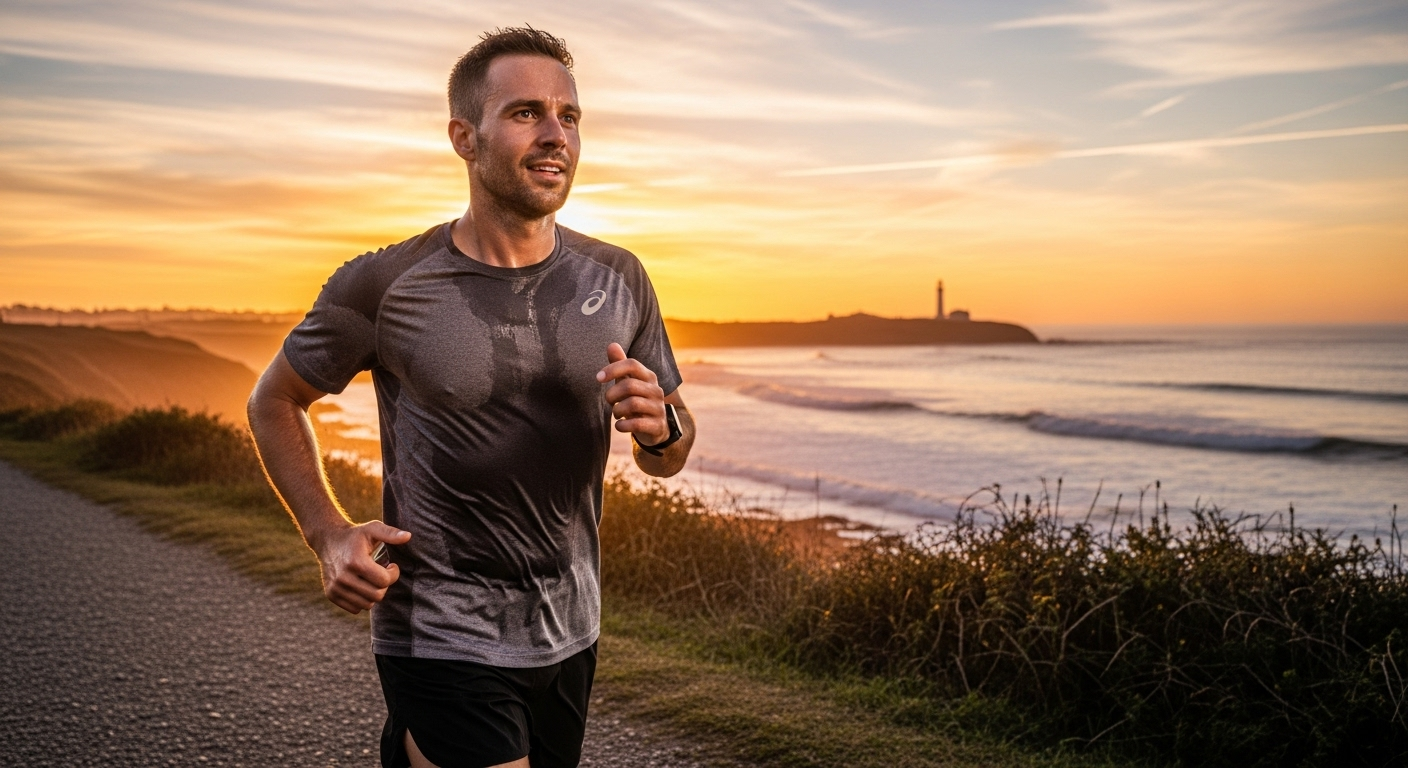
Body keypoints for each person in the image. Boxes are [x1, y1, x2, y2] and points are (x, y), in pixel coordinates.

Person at [246, 27, 695, 768]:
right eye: (525, 113)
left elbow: (671, 455)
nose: (556, 137)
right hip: (439, 629)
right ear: (465, 136)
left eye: (570, 117)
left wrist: (661, 427)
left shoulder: (620, 277)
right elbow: (275, 400)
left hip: (570, 630)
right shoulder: (386, 284)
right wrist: (325, 533)